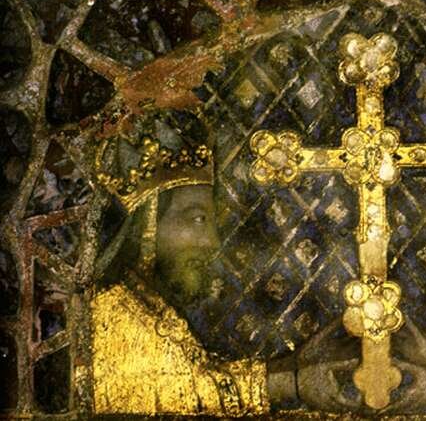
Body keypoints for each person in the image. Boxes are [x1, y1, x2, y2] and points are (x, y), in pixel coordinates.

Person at [90, 108, 349, 416]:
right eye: (197, 219)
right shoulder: (112, 311)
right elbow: (183, 394)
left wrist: (295, 368)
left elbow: (198, 378)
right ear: (147, 224)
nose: (211, 242)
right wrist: (290, 381)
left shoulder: (148, 305)